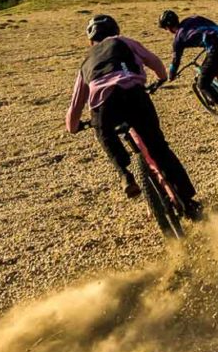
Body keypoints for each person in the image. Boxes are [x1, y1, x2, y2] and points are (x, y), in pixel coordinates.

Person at [65, 14, 202, 220]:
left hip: (105, 106)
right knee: (159, 148)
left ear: (91, 39)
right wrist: (162, 77)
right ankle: (188, 200)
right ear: (115, 31)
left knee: (104, 134)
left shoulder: (86, 62)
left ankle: (125, 174)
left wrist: (73, 127)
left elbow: (76, 104)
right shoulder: (124, 42)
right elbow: (154, 61)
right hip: (134, 96)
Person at [158, 10, 218, 116]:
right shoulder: (193, 18)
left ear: (168, 28)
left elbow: (175, 60)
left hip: (215, 49)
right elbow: (211, 25)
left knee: (203, 84)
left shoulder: (178, 39)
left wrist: (171, 75)